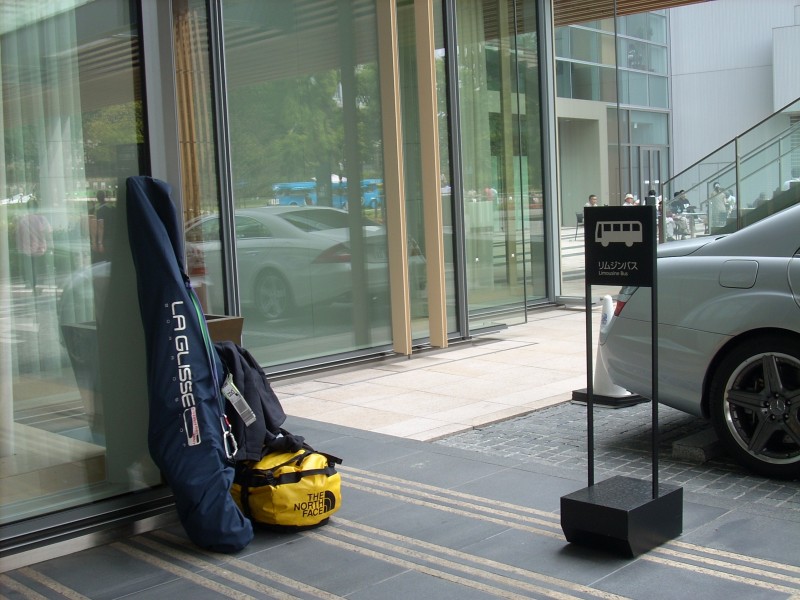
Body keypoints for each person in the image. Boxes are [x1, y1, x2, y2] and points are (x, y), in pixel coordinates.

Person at [15, 198, 52, 291]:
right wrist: (51, 245)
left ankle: (32, 285)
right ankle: (38, 286)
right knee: (40, 269)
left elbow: (19, 235)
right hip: (41, 249)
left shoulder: (23, 220)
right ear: (37, 208)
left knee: (30, 269)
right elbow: (48, 232)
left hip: (27, 250)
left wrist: (19, 248)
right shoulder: (42, 219)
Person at [91, 190, 115, 262]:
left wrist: (99, 243)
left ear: (97, 198)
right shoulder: (112, 208)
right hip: (112, 238)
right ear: (105, 197)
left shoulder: (99, 210)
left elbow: (101, 227)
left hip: (104, 240)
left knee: (100, 260)